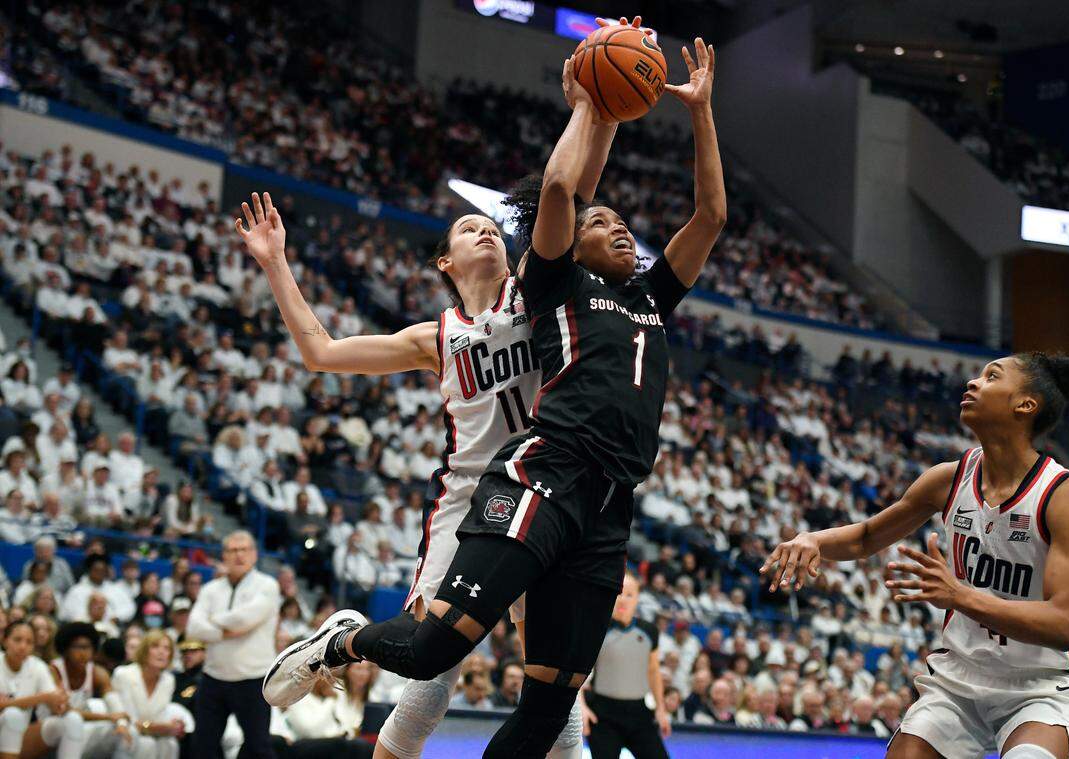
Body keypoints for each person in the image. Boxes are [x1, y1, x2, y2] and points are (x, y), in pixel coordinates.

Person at [264, 27, 724, 759]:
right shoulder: (435, 336)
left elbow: (573, 192)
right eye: (468, 227)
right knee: (432, 667)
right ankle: (341, 645)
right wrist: (275, 262)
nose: (485, 232)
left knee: (554, 698)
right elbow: (319, 352)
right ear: (444, 259)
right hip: (479, 487)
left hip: (559, 477)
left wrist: (595, 105)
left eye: (491, 226)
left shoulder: (539, 294)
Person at [763, 353, 1069, 759]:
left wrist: (959, 596)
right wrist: (813, 539)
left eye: (991, 376)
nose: (973, 382)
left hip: (1040, 684)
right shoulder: (948, 478)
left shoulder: (1064, 496)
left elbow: (1063, 624)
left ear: (1025, 405)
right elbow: (868, 536)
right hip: (959, 678)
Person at [187, 530, 279, 757]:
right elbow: (193, 629)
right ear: (224, 556)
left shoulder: (267, 585)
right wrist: (227, 631)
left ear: (255, 554)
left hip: (254, 678)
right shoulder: (210, 589)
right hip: (213, 677)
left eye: (244, 549)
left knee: (258, 747)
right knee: (203, 747)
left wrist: (211, 622)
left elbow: (245, 619)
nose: (239, 555)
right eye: (232, 550)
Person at [580, 572, 670, 759]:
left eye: (630, 594)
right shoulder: (597, 628)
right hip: (602, 716)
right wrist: (581, 706)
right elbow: (576, 670)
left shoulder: (649, 631)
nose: (623, 600)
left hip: (640, 714)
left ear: (638, 598)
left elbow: (653, 672)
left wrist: (661, 709)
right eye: (619, 593)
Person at [0, 620, 81, 759]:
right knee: (13, 715)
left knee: (73, 719)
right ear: (5, 640)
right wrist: (43, 698)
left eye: (29, 642)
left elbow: (54, 700)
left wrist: (61, 702)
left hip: (21, 737)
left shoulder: (38, 666)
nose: (22, 646)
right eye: (17, 640)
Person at [48, 622, 132, 755]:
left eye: (87, 648)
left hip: (79, 727)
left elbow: (114, 703)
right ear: (65, 648)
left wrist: (121, 724)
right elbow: (64, 711)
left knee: (123, 734)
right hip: (52, 729)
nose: (83, 653)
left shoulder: (98, 672)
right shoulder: (53, 670)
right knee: (73, 722)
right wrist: (108, 717)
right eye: (78, 647)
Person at [110, 630, 192, 759]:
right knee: (146, 744)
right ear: (144, 650)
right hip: (122, 731)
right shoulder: (124, 674)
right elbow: (129, 720)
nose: (161, 652)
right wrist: (162, 727)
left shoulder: (168, 680)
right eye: (155, 646)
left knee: (170, 744)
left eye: (166, 648)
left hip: (148, 731)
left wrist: (173, 726)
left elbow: (157, 718)